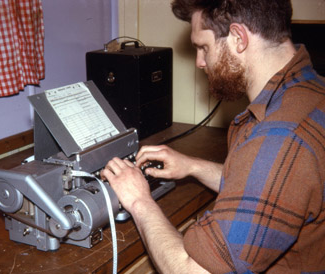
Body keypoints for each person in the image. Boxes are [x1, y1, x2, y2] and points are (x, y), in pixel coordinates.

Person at [100, 0, 325, 273]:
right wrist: (194, 166)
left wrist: (138, 200)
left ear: (238, 38)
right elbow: (270, 188)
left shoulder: (280, 136)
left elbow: (192, 270)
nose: (199, 62)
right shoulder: (310, 92)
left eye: (203, 47)